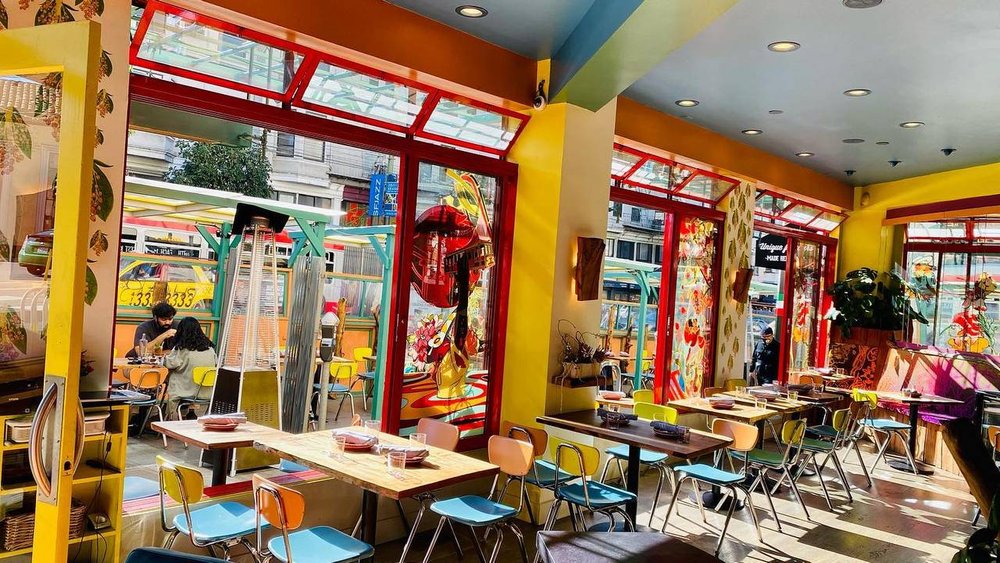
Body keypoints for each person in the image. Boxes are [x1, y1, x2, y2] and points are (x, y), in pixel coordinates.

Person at [163, 317, 218, 417]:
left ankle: (169, 415)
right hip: (205, 392)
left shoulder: (181, 348)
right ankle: (189, 411)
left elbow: (169, 364)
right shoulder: (210, 349)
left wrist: (163, 358)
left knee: (173, 375)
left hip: (185, 390)